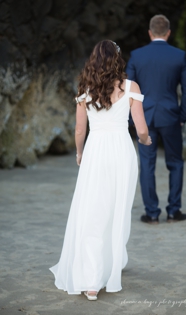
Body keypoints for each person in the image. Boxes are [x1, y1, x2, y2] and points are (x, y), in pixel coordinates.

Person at [50, 40, 153, 301]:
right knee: (118, 208)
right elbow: (141, 130)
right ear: (118, 60)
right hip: (121, 151)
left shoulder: (85, 89)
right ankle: (109, 264)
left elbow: (79, 130)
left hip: (96, 151)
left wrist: (80, 152)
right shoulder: (131, 87)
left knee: (93, 210)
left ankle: (93, 280)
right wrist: (145, 141)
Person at [126, 14, 186, 224]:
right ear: (168, 33)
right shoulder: (179, 56)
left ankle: (152, 214)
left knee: (146, 165)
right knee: (175, 163)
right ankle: (174, 211)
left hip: (144, 117)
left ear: (150, 32)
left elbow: (127, 89)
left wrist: (131, 119)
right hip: (171, 116)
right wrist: (182, 116)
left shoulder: (137, 56)